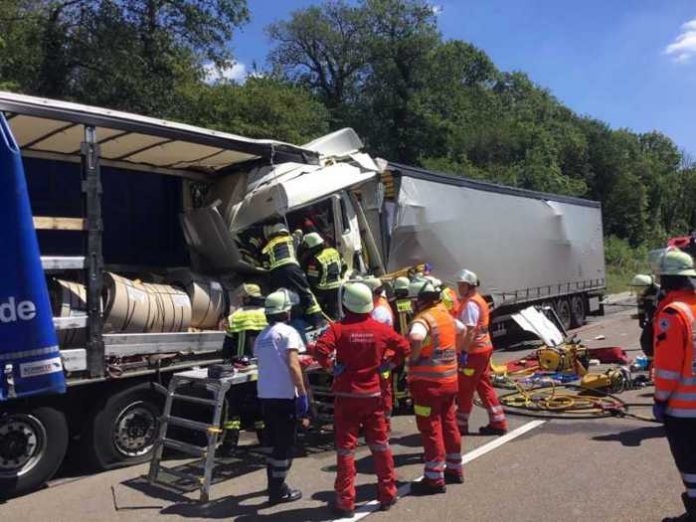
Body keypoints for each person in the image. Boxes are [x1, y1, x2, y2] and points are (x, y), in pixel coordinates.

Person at [314, 282, 409, 517]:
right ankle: (387, 492)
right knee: (380, 445)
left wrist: (331, 368)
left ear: (346, 304)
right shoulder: (380, 329)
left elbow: (320, 350)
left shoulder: (338, 328)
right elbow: (405, 347)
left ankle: (345, 501)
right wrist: (389, 364)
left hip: (347, 397)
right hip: (373, 396)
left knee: (346, 450)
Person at [253, 289, 310, 505]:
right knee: (285, 446)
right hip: (285, 396)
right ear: (285, 312)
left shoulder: (262, 336)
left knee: (272, 442)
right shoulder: (288, 333)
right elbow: (294, 366)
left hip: (266, 396)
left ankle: (273, 484)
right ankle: (278, 491)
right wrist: (302, 394)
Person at [407, 279, 464, 495]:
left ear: (419, 300)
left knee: (430, 429)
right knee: (449, 423)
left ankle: (433, 479)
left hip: (427, 386)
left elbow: (416, 336)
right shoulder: (445, 315)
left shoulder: (423, 319)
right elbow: (462, 329)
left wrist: (413, 358)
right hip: (449, 382)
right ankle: (455, 469)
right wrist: (457, 352)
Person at [652, 250, 696, 522]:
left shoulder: (672, 313)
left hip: (683, 410)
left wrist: (659, 400)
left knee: (690, 465)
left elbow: (668, 370)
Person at [455, 269, 508, 436]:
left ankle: (460, 425)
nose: (459, 288)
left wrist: (463, 352)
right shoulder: (477, 300)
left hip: (474, 352)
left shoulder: (471, 304)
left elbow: (469, 330)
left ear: (469, 286)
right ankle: (498, 422)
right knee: (483, 385)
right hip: (483, 348)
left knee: (465, 388)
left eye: (461, 285)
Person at [220, 284, 268, 454]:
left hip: (241, 369)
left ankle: (230, 445)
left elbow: (227, 348)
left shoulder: (235, 317)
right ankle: (265, 441)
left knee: (234, 407)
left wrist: (227, 362)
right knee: (259, 404)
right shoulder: (267, 316)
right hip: (262, 369)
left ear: (246, 298)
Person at [261, 222, 323, 327]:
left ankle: (287, 321)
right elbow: (299, 234)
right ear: (285, 232)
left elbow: (266, 266)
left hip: (275, 273)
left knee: (282, 298)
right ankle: (317, 320)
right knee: (306, 293)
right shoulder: (291, 238)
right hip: (291, 268)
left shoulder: (266, 248)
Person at [301, 232, 347, 319]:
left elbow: (312, 279)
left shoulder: (315, 259)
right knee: (336, 310)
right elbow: (344, 266)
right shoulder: (334, 251)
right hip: (338, 286)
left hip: (322, 289)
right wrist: (340, 277)